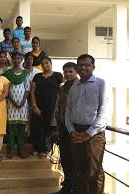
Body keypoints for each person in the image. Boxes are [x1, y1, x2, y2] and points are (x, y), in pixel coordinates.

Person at [65, 54, 109, 194]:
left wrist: (88, 133)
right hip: (76, 133)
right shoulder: (74, 87)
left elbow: (104, 111)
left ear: (93, 67)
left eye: (87, 65)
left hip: (94, 135)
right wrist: (71, 130)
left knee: (94, 172)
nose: (83, 67)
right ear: (77, 67)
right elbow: (68, 110)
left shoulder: (101, 84)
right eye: (80, 65)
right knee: (79, 170)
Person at [51, 62, 78, 194]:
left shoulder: (80, 87)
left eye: (70, 71)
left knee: (75, 159)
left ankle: (75, 188)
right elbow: (58, 109)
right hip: (63, 128)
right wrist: (56, 128)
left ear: (76, 71)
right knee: (65, 158)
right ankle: (66, 187)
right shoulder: (62, 88)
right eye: (65, 71)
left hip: (76, 129)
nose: (68, 74)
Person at [30, 56, 63, 158]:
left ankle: (45, 149)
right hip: (38, 106)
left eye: (47, 63)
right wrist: (34, 106)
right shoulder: (37, 76)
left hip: (52, 107)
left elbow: (61, 91)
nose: (45, 65)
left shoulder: (58, 75)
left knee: (49, 127)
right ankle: (37, 148)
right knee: (37, 127)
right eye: (43, 64)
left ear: (51, 63)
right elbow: (32, 92)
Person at [3, 52, 29, 159]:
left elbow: (27, 89)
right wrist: (12, 101)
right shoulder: (7, 73)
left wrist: (23, 101)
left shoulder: (25, 73)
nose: (17, 60)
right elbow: (6, 90)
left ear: (22, 59)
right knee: (11, 128)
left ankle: (21, 150)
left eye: (19, 58)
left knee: (21, 129)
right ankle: (11, 150)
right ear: (12, 60)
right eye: (15, 58)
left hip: (23, 104)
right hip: (11, 103)